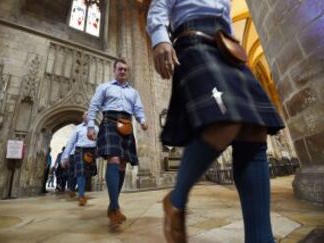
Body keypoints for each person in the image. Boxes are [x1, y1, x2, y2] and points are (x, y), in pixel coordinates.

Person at [147, 1, 285, 243]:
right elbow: (159, 4)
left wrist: (235, 50)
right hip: (193, 41)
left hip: (226, 48)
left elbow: (226, 18)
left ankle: (261, 239)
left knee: (255, 132)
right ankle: (176, 200)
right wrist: (160, 38)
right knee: (224, 122)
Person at [87, 58, 148, 226]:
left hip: (127, 125)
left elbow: (138, 109)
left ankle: (113, 205)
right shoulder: (105, 87)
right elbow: (94, 106)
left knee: (122, 165)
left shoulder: (133, 92)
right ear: (114, 70)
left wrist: (142, 120)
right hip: (109, 123)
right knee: (113, 160)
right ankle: (115, 208)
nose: (122, 71)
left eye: (125, 69)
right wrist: (90, 126)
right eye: (120, 69)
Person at [61, 112, 99, 206]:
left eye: (89, 114)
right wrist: (65, 156)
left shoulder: (96, 128)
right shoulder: (78, 128)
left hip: (91, 151)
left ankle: (80, 190)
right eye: (86, 114)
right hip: (80, 149)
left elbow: (99, 141)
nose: (88, 115)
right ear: (83, 117)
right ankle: (81, 196)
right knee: (80, 173)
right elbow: (71, 142)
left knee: (88, 173)